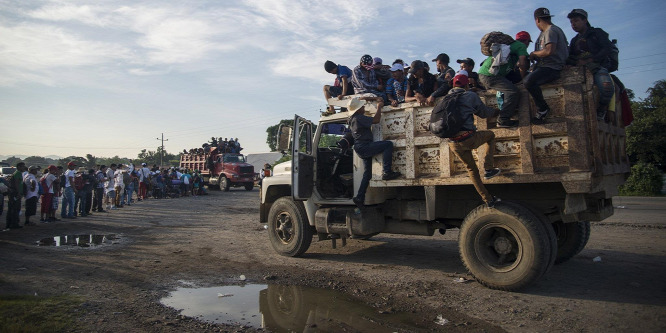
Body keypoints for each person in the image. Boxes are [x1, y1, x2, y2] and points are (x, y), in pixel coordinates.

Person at [446, 74, 502, 206]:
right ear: (466, 85)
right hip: (468, 138)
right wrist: (498, 112)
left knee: (472, 170)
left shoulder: (446, 99)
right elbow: (484, 113)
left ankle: (488, 200)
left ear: (453, 85)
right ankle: (488, 168)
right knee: (490, 135)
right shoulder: (470, 96)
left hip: (453, 143)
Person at [347, 97, 401, 208]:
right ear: (358, 109)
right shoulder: (359, 118)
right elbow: (376, 120)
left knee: (367, 174)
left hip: (360, 147)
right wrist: (379, 107)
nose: (363, 107)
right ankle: (387, 172)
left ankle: (359, 197)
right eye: (362, 106)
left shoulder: (352, 119)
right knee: (388, 145)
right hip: (364, 146)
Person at [566, 8, 615, 121]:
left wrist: (591, 60)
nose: (573, 24)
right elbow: (570, 57)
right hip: (579, 70)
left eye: (576, 21)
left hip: (598, 67)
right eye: (571, 22)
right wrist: (570, 63)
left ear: (585, 20)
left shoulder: (597, 33)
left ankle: (601, 109)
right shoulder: (574, 40)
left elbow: (607, 48)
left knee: (606, 88)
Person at [478, 32, 531, 128]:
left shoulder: (511, 46)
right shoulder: (520, 46)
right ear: (526, 41)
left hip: (489, 73)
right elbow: (523, 64)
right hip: (490, 75)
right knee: (513, 92)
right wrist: (524, 80)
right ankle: (503, 119)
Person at [526, 7, 569, 124]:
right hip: (545, 65)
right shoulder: (544, 33)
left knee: (528, 81)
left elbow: (549, 51)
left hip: (552, 67)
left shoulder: (551, 31)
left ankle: (542, 109)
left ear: (537, 20)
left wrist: (534, 53)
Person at [5, 162, 27, 229]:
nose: (24, 167)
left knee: (13, 208)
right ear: (19, 167)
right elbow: (17, 183)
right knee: (15, 209)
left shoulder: (17, 173)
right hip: (15, 193)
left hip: (14, 193)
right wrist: (18, 192)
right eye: (22, 166)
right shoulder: (18, 173)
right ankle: (14, 224)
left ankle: (10, 224)